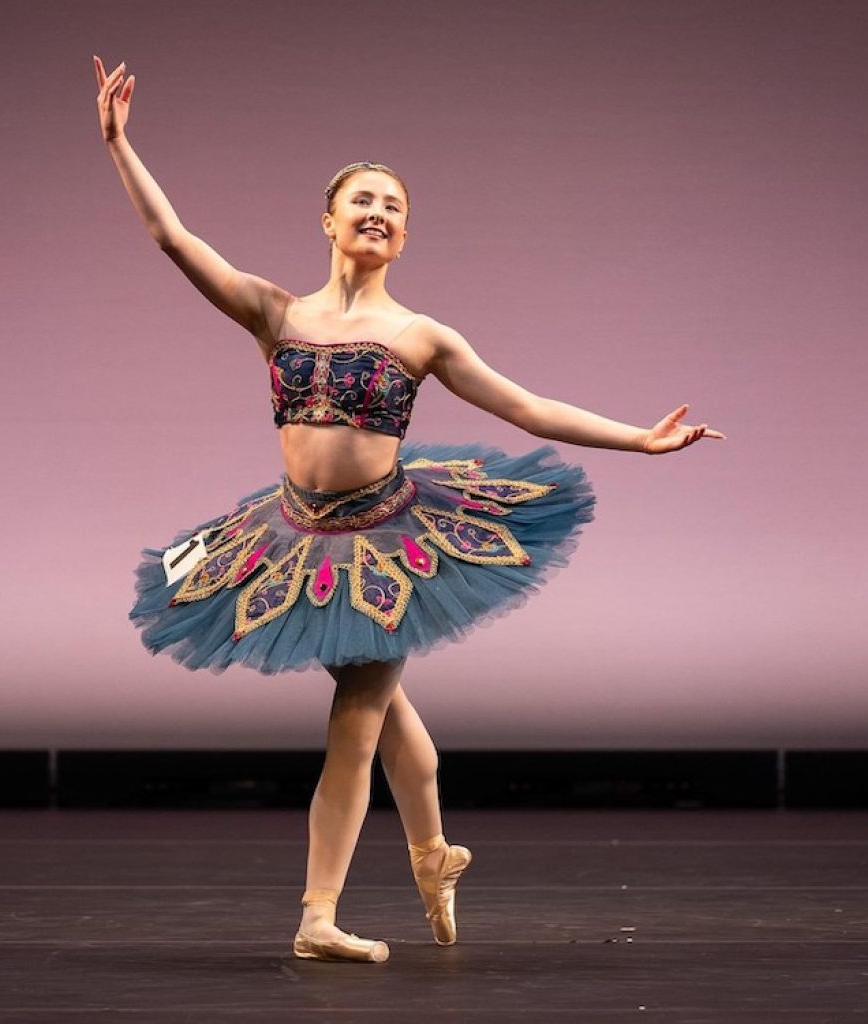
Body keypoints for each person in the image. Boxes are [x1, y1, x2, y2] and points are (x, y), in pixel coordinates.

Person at [94, 55, 725, 964]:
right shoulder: (275, 313)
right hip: (295, 537)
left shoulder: (419, 336)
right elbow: (174, 239)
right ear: (329, 219)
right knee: (389, 718)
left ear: (403, 233)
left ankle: (317, 917)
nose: (380, 213)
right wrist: (120, 144)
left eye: (395, 206)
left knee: (356, 713)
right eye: (364, 200)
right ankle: (434, 856)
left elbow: (525, 406)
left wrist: (639, 438)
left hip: (386, 539)